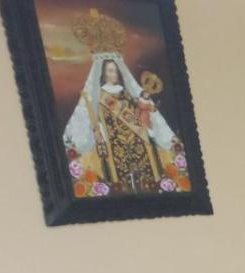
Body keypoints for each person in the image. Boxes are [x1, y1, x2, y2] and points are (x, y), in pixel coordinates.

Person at [62, 50, 189, 196]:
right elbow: (97, 120)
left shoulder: (127, 93)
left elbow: (139, 114)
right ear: (103, 73)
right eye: (110, 71)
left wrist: (145, 117)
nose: (114, 74)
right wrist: (99, 131)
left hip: (138, 141)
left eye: (115, 70)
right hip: (114, 142)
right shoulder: (100, 96)